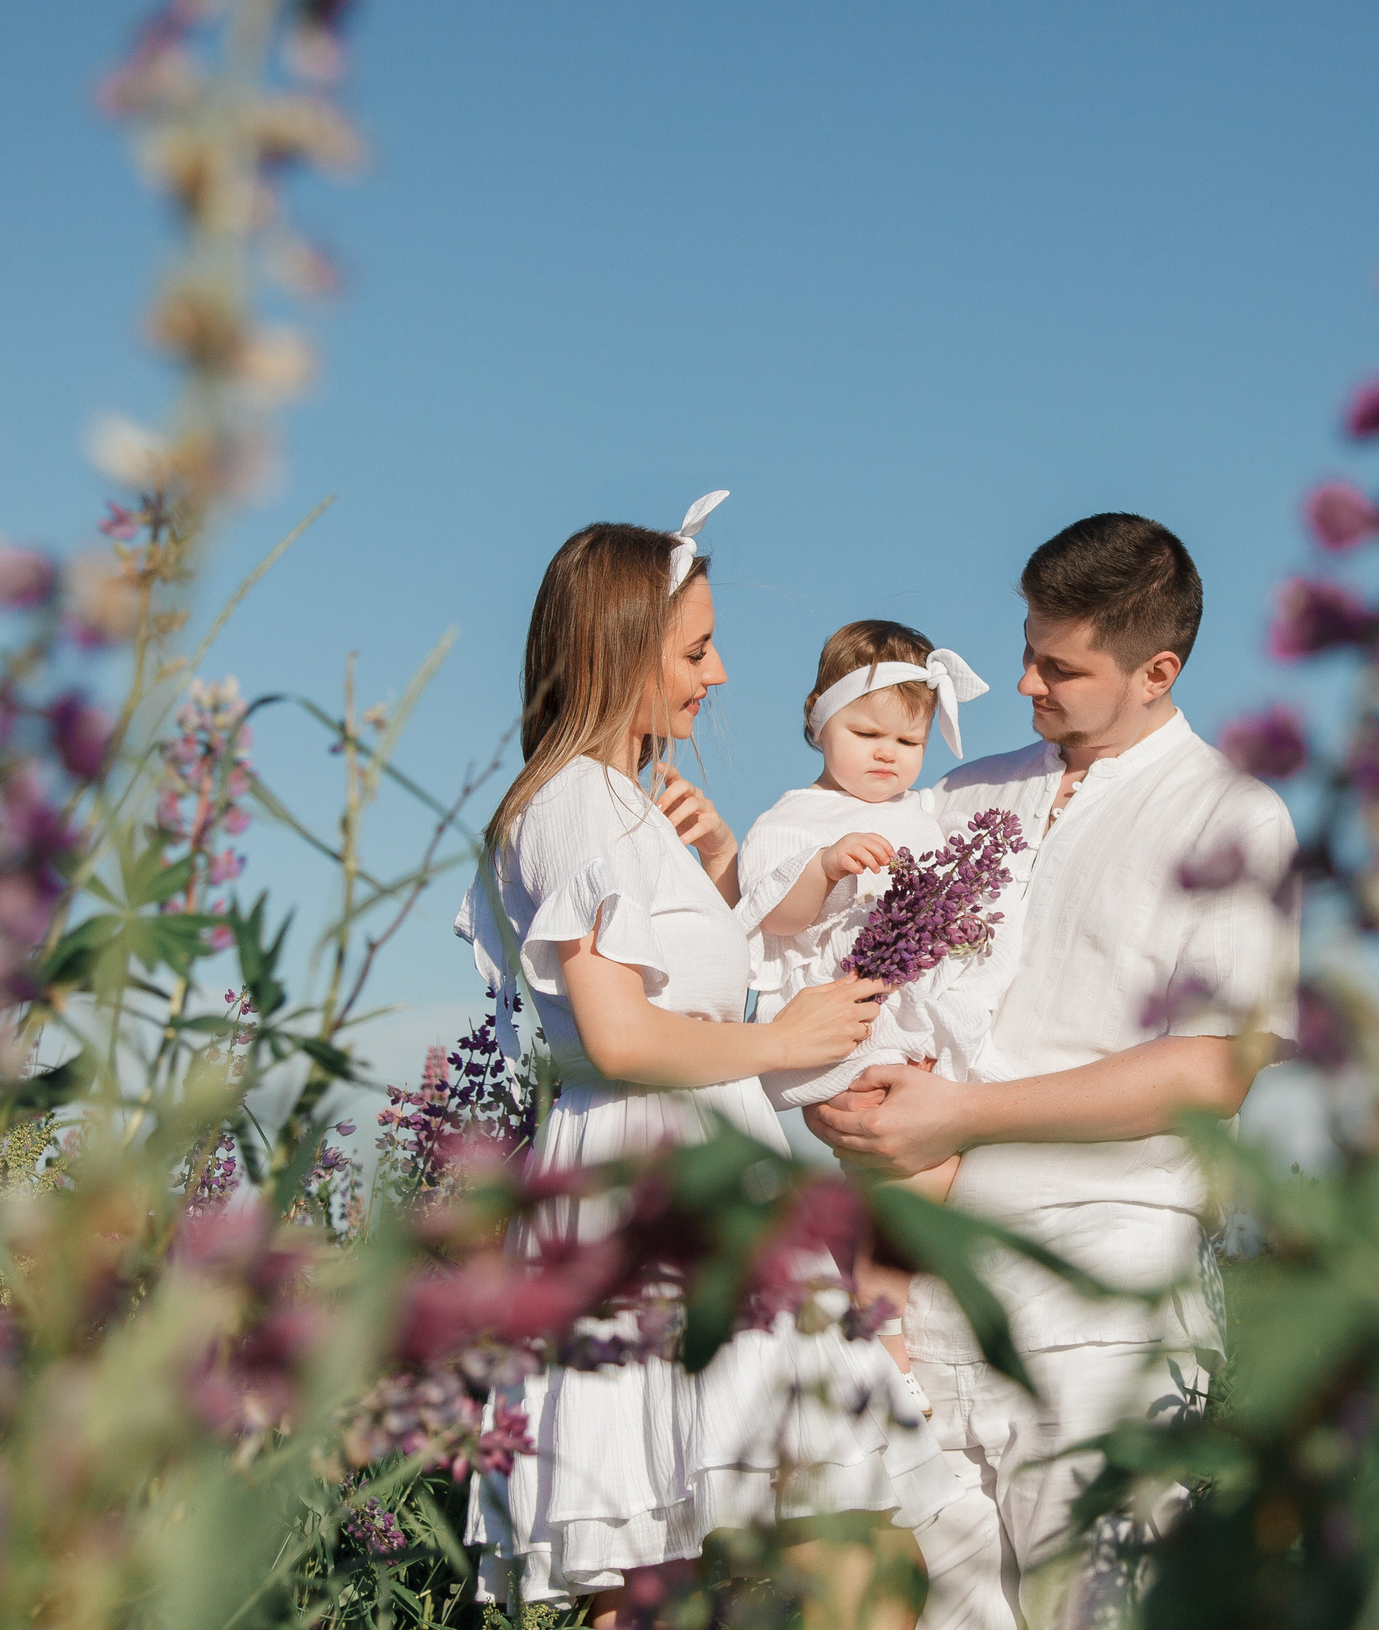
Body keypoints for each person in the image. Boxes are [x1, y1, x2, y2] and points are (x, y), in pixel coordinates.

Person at [456, 493, 960, 1624]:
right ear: (619, 649)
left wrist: (727, 871)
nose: (719, 674)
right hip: (655, 1180)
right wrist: (783, 1039)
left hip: (699, 1169)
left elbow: (686, 990)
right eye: (694, 651)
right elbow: (620, 1035)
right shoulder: (576, 803)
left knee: (722, 1551)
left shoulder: (622, 804)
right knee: (760, 1548)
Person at [807, 513, 1300, 1630]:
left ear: (1156, 671)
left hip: (1101, 1301)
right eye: (1027, 649)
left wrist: (961, 1115)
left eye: (1061, 667)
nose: (1025, 681)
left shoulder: (1234, 816)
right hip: (916, 1286)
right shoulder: (960, 796)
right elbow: (856, 977)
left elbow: (1213, 1073)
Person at [736, 620, 1010, 1421]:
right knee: (909, 1173)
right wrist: (824, 867)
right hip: (850, 1023)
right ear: (819, 717)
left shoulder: (925, 813)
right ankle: (883, 1337)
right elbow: (773, 917)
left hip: (922, 1019)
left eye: (909, 740)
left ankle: (863, 1304)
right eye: (867, 733)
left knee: (926, 1179)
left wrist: (961, 921)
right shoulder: (794, 817)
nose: (888, 754)